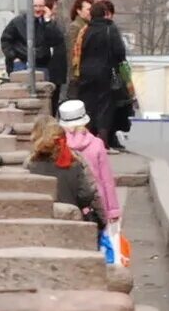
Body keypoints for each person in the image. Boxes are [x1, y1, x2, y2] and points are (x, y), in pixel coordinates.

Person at [52, 98, 122, 230]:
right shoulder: (97, 144)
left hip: (67, 201)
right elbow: (106, 180)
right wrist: (113, 210)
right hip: (95, 204)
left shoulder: (57, 146)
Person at [27, 113, 103, 227]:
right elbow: (86, 194)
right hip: (71, 220)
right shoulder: (74, 162)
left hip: (38, 221)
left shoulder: (30, 164)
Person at [75, 0, 131, 147]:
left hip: (86, 72)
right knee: (105, 108)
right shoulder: (110, 28)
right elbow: (120, 52)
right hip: (105, 72)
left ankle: (87, 141)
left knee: (88, 106)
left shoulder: (85, 30)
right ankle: (103, 143)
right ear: (105, 13)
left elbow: (80, 51)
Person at [0, 0, 67, 91]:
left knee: (41, 95)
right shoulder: (18, 22)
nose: (38, 9)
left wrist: (48, 21)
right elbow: (6, 41)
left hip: (42, 65)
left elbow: (57, 40)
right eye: (35, 6)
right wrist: (13, 57)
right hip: (21, 64)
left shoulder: (47, 23)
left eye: (41, 6)